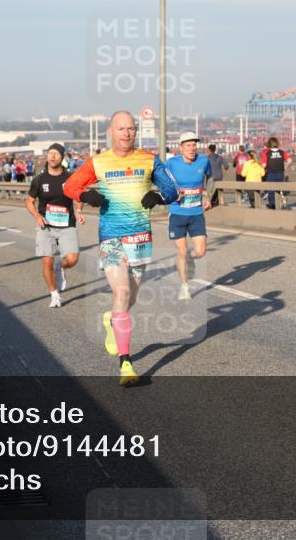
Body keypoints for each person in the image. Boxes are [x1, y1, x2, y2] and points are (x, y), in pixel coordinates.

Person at [63, 110, 178, 387]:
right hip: (111, 237)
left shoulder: (149, 160)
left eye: (131, 128)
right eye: (121, 128)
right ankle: (126, 363)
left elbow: (173, 189)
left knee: (130, 298)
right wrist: (86, 194)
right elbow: (70, 186)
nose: (127, 133)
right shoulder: (98, 161)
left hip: (140, 237)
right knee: (122, 292)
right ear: (111, 132)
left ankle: (111, 319)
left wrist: (159, 196)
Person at [25, 143, 83, 307]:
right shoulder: (39, 179)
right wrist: (37, 216)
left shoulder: (70, 178)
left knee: (72, 259)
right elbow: (29, 201)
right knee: (46, 262)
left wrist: (78, 210)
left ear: (62, 157)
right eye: (50, 153)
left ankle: (61, 266)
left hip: (67, 224)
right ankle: (54, 294)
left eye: (56, 154)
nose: (52, 156)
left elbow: (78, 197)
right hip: (46, 226)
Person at [165, 132, 215, 300]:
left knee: (200, 252)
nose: (192, 148)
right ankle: (184, 287)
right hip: (177, 213)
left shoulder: (203, 161)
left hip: (196, 213)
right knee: (182, 251)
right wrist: (171, 193)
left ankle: (190, 259)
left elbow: (210, 178)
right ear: (181, 147)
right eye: (188, 145)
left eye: (194, 145)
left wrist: (207, 195)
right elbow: (161, 180)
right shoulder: (171, 163)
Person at [260, 137, 287, 210]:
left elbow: (264, 165)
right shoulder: (282, 152)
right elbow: (290, 160)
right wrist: (285, 167)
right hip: (280, 173)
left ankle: (273, 205)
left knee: (271, 190)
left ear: (269, 144)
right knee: (278, 189)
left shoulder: (266, 153)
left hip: (271, 174)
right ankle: (280, 201)